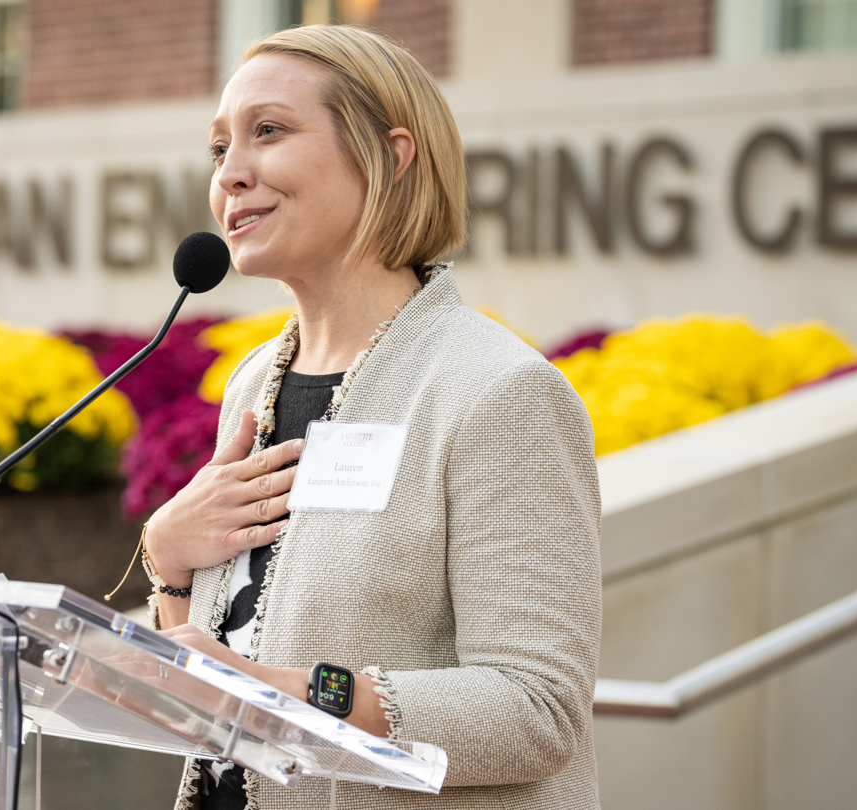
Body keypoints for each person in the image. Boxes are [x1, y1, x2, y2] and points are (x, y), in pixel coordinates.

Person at [140, 24, 602, 810]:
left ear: (390, 157)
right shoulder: (254, 385)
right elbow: (210, 686)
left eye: (268, 132)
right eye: (219, 149)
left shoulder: (501, 391)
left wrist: (280, 692)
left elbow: (536, 712)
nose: (231, 174)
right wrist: (169, 563)